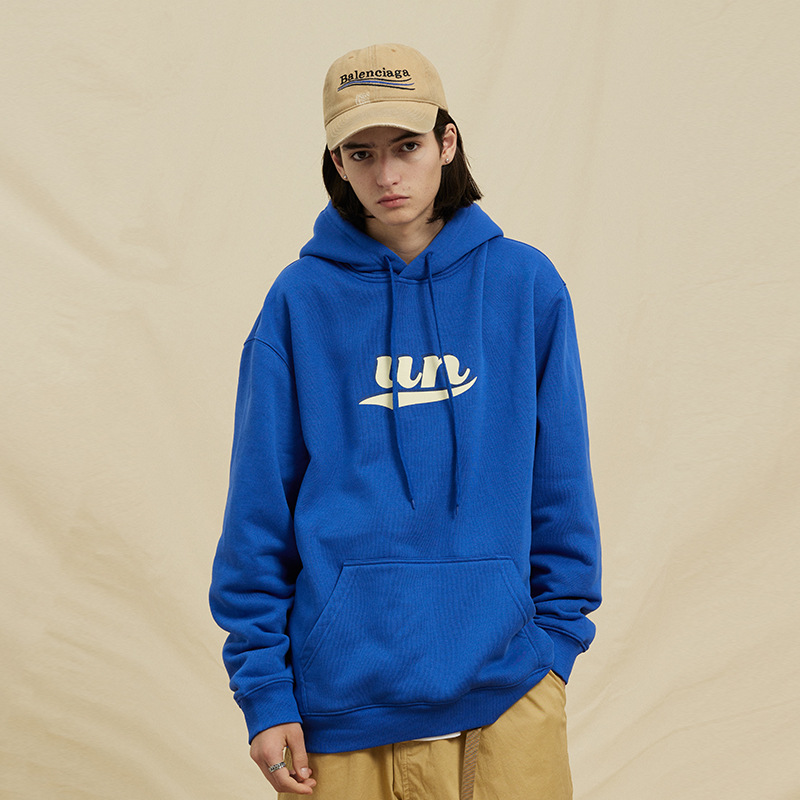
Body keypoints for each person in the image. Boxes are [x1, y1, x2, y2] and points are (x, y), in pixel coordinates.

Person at [209, 43, 601, 799]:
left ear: (446, 143)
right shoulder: (298, 302)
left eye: (407, 146)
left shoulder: (524, 285)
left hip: (510, 693)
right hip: (339, 705)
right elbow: (258, 509)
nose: (387, 175)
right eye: (362, 153)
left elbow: (562, 488)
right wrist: (264, 691)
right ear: (337, 162)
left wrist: (554, 648)